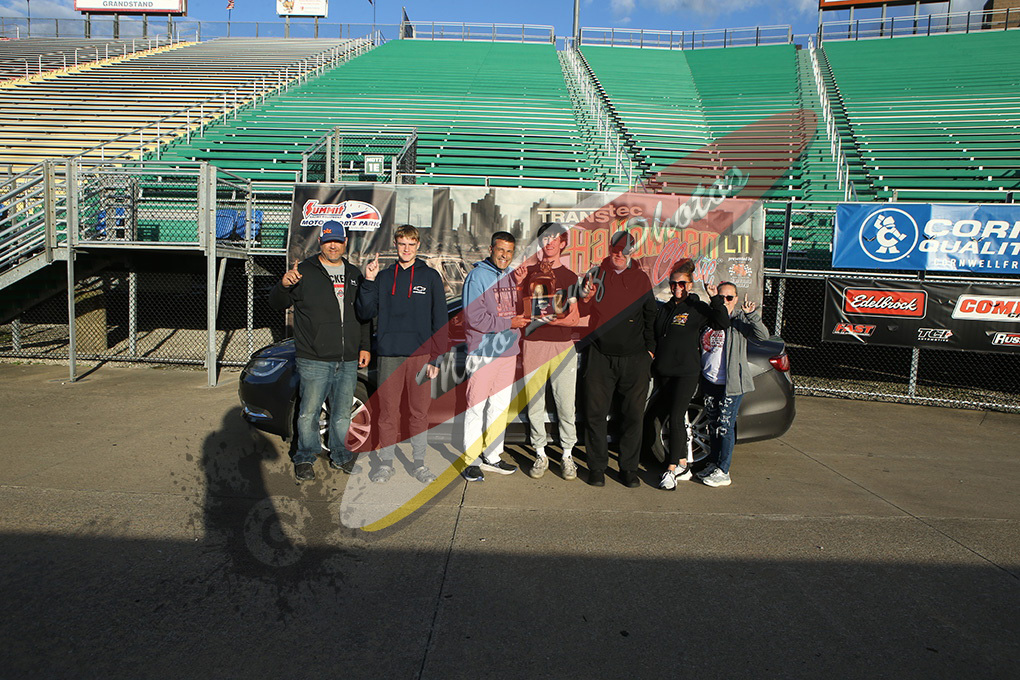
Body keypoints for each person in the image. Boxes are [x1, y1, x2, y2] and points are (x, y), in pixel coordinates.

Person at [268, 220, 370, 482]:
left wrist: (364, 346)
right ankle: (305, 457)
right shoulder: (304, 271)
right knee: (309, 412)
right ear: (320, 243)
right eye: (327, 241)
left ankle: (341, 455)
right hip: (314, 357)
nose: (332, 246)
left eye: (337, 241)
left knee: (342, 413)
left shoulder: (354, 274)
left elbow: (363, 315)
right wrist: (283, 285)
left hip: (347, 358)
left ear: (345, 242)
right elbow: (276, 302)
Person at [356, 224, 448, 485]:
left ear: (417, 245)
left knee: (419, 413)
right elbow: (364, 312)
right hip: (389, 356)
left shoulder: (430, 277)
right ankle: (386, 464)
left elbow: (440, 321)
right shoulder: (384, 277)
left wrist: (436, 358)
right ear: (395, 245)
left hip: (421, 358)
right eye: (402, 244)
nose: (406, 249)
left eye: (411, 244)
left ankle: (419, 464)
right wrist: (369, 281)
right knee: (388, 412)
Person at [580, 231, 657, 488]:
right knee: (595, 414)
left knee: (633, 416)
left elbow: (651, 316)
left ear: (632, 252)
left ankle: (628, 469)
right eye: (616, 250)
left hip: (635, 358)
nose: (619, 254)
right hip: (600, 356)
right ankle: (597, 468)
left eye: (624, 250)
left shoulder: (641, 279)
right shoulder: (595, 274)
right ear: (610, 249)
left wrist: (650, 351)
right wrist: (585, 298)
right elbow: (581, 310)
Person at [652, 261, 729, 491]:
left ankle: (671, 470)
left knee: (676, 417)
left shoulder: (697, 307)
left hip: (686, 372)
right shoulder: (665, 308)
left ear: (690, 285)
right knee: (671, 417)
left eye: (682, 284)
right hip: (664, 372)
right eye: (674, 283)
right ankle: (684, 464)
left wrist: (715, 299)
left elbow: (722, 322)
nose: (678, 287)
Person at [461, 231, 529, 482]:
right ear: (491, 249)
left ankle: (492, 455)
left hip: (507, 353)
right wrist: (509, 323)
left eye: (509, 251)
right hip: (483, 352)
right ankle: (471, 460)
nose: (504, 255)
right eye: (500, 250)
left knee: (500, 408)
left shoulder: (511, 276)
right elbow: (474, 317)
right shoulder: (477, 276)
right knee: (476, 407)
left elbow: (517, 310)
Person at [518, 222, 581, 481]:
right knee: (534, 403)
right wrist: (519, 285)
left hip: (562, 345)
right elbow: (521, 312)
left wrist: (551, 320)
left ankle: (567, 454)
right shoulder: (527, 274)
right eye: (545, 238)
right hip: (534, 344)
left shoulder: (570, 277)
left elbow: (574, 318)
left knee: (566, 403)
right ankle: (540, 452)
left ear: (563, 243)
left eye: (555, 238)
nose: (550, 242)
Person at [697, 281, 770, 488]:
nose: (725, 301)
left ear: (736, 299)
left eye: (730, 298)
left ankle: (724, 470)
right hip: (710, 380)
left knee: (725, 426)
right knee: (713, 426)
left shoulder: (739, 320)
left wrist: (752, 315)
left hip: (731, 383)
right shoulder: (709, 318)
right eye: (721, 297)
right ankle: (713, 463)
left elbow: (763, 336)